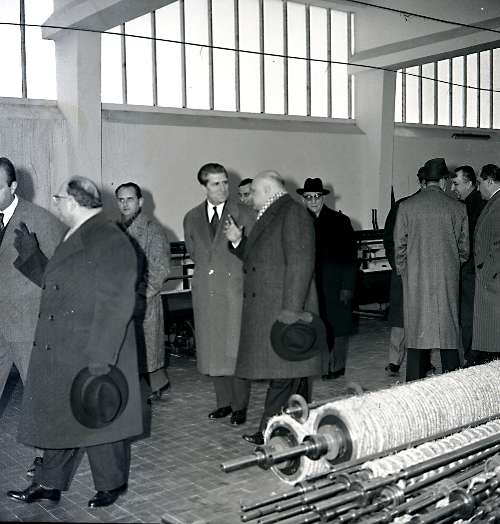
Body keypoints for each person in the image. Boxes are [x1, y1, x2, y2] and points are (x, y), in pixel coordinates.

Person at [7, 177, 143, 508]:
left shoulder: (109, 237)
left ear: (73, 202)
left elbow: (118, 302)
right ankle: (49, 483)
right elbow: (59, 283)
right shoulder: (77, 233)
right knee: (60, 413)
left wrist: (101, 356)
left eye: (58, 198)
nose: (55, 204)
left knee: (98, 417)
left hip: (93, 345)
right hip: (67, 344)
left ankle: (111, 485)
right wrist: (32, 255)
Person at [224, 171, 323, 446]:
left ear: (267, 190)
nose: (250, 198)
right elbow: (261, 259)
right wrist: (237, 241)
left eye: (253, 192)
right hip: (272, 307)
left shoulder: (292, 213)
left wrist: (292, 312)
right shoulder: (272, 212)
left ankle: (271, 430)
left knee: (285, 374)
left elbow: (301, 264)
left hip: (284, 309)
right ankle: (285, 427)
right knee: (288, 375)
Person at [183, 163, 254, 426]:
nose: (223, 188)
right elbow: (194, 252)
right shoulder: (191, 217)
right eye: (216, 183)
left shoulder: (245, 214)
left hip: (234, 290)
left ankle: (240, 406)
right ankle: (223, 403)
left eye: (225, 182)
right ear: (204, 186)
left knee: (234, 350)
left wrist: (237, 241)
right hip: (207, 293)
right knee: (213, 349)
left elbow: (255, 254)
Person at [394, 158, 469, 382]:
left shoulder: (407, 207)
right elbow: (464, 250)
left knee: (417, 335)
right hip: (447, 280)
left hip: (416, 281)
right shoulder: (458, 207)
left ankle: (414, 386)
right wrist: (450, 265)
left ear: (425, 181)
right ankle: (453, 386)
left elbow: (399, 247)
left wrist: (407, 273)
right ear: (444, 181)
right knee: (448, 336)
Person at [0, 157, 65, 402]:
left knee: (42, 398)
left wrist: (34, 260)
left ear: (13, 187)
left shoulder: (41, 220)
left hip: (27, 327)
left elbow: (64, 276)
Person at [116, 182, 171, 402]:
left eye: (130, 199)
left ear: (140, 202)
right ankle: (147, 387)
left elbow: (160, 269)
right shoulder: (116, 229)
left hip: (143, 301)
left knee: (147, 349)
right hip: (120, 301)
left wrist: (138, 295)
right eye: (121, 200)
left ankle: (152, 388)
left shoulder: (152, 230)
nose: (125, 204)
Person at [297, 178, 357, 380]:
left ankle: (336, 367)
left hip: (335, 285)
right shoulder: (297, 222)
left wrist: (347, 286)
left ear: (323, 197)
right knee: (314, 327)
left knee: (338, 328)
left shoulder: (340, 221)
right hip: (308, 286)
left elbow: (350, 257)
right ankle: (320, 366)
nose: (313, 201)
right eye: (309, 197)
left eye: (317, 196)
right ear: (303, 199)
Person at [383, 167, 432, 377]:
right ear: (421, 183)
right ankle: (394, 361)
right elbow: (389, 240)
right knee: (399, 321)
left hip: (425, 274)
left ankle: (424, 362)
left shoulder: (437, 207)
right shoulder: (402, 206)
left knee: (424, 320)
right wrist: (399, 266)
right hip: (403, 273)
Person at [450, 166, 486, 366]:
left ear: (470, 183)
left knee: (469, 316)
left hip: (470, 272)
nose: (453, 188)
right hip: (470, 271)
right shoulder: (469, 204)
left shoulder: (474, 207)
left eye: (456, 184)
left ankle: (472, 359)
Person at [470, 164, 500, 365]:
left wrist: (486, 272)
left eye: (480, 182)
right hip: (491, 280)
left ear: (490, 181)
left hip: (493, 282)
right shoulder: (494, 202)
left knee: (493, 335)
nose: (478, 186)